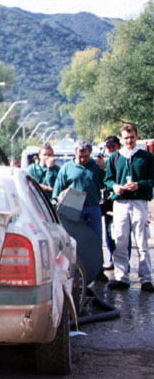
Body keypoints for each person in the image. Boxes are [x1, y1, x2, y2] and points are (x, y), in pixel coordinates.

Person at [104, 123, 154, 291]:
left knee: (142, 241)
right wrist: (114, 186)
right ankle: (121, 277)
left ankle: (146, 278)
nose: (129, 141)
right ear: (121, 139)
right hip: (120, 203)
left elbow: (152, 179)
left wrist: (139, 184)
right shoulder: (115, 157)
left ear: (137, 137)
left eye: (132, 137)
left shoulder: (146, 157)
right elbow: (108, 179)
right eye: (126, 138)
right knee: (120, 240)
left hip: (139, 202)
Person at [52, 139, 104, 239]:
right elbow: (58, 188)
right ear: (75, 154)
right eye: (80, 157)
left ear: (90, 153)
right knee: (73, 238)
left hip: (93, 207)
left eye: (86, 156)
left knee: (96, 238)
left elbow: (106, 182)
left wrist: (104, 168)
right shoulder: (67, 168)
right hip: (72, 208)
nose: (83, 159)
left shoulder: (97, 167)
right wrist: (54, 202)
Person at [100, 135, 121, 271]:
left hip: (120, 200)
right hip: (107, 200)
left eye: (113, 147)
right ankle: (113, 260)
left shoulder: (122, 159)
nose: (111, 150)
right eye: (109, 148)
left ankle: (123, 262)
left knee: (122, 234)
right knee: (109, 232)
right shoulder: (105, 162)